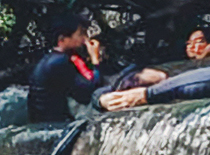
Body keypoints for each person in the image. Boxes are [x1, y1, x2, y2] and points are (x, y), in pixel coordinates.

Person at [27, 14, 164, 121]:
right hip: (52, 123)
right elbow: (87, 93)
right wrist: (95, 59)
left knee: (132, 70)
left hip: (49, 119)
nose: (84, 39)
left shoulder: (56, 57)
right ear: (62, 39)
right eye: (80, 34)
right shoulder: (58, 62)